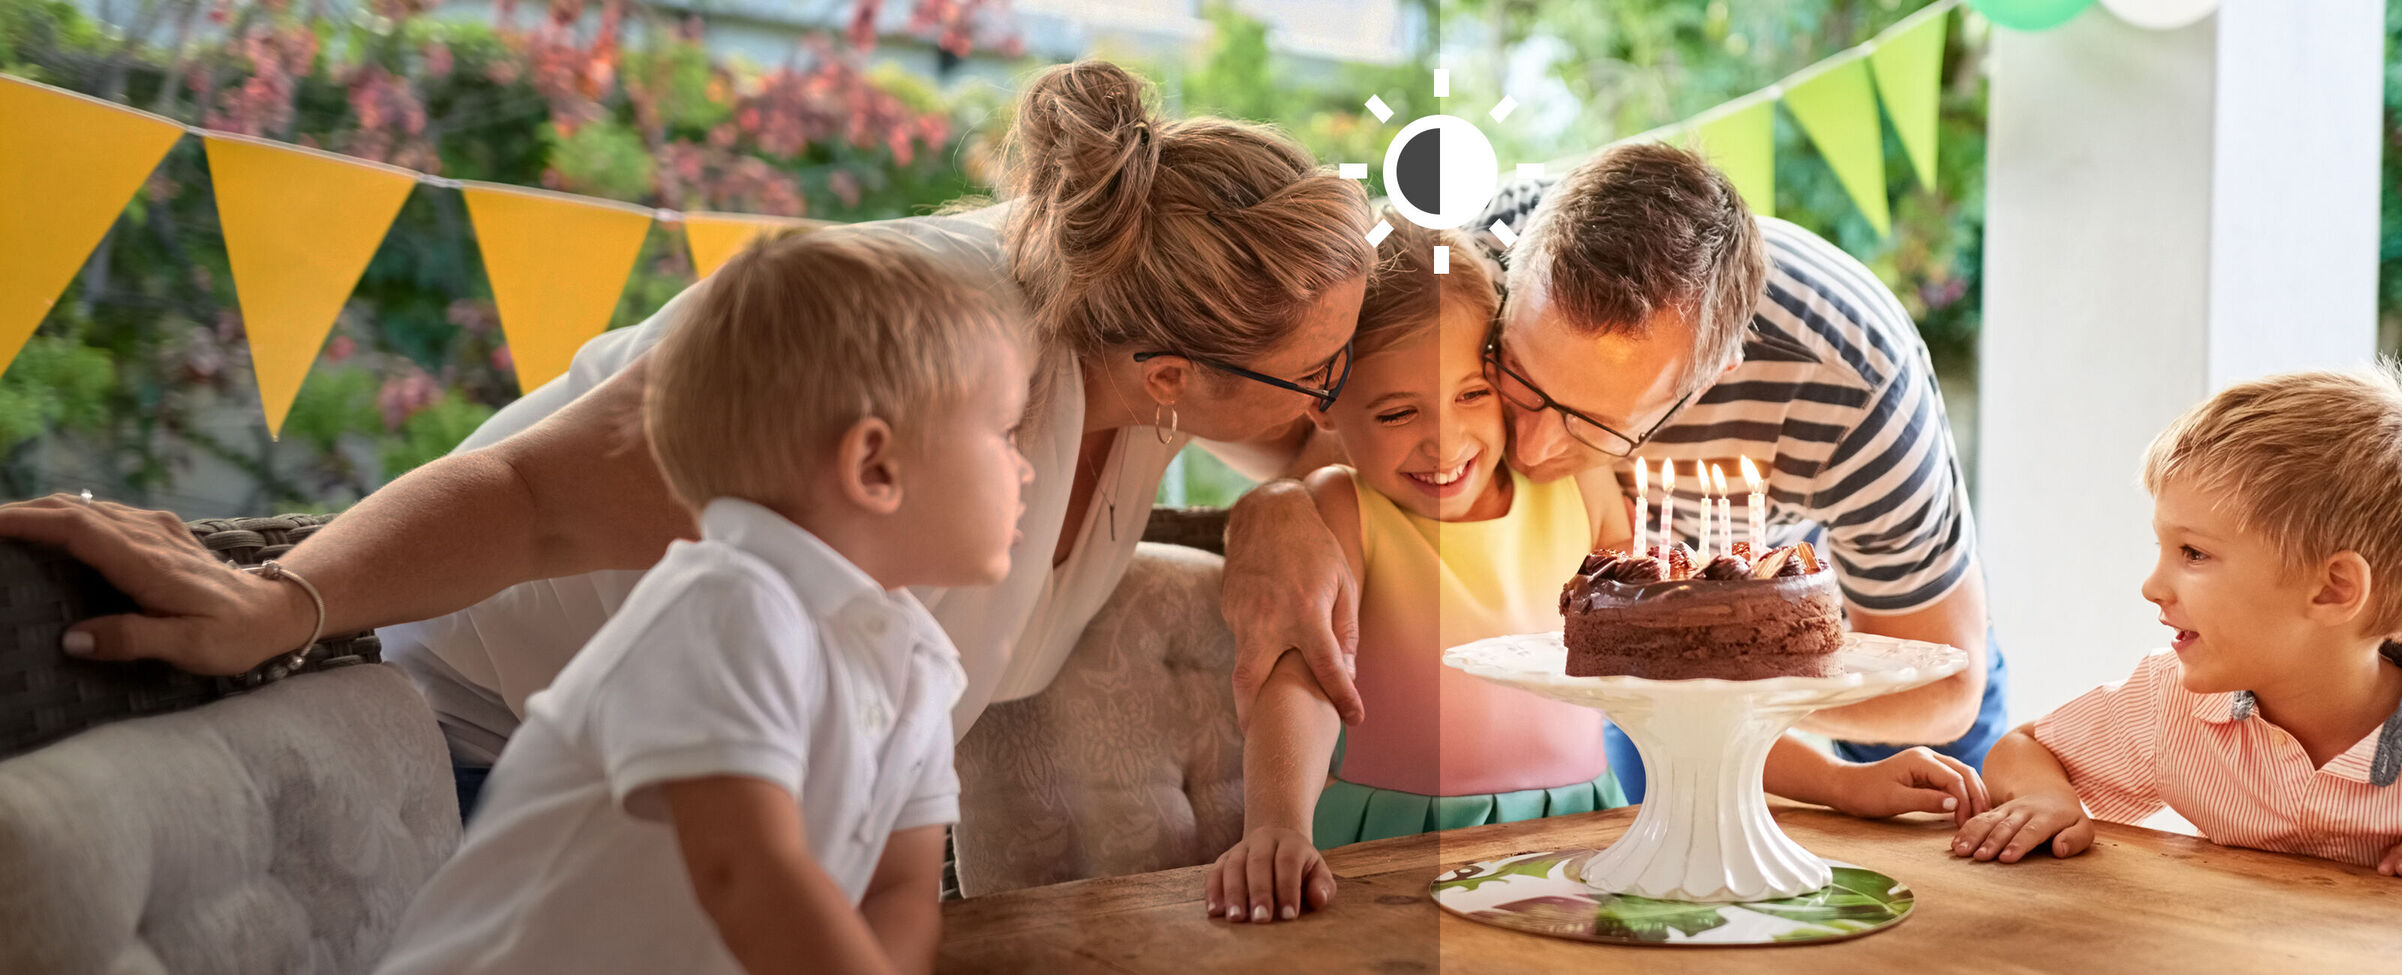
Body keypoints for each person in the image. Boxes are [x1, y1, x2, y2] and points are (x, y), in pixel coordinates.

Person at [1, 60, 1373, 824]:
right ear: (1179, 368)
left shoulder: (1122, 358)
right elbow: (535, 496)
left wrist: (1302, 498)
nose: (1338, 397)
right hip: (502, 770)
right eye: (1319, 378)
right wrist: (281, 600)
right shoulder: (915, 332)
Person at [1197, 216, 1998, 924]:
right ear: (1325, 409)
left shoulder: (1578, 489)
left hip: (1585, 830)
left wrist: (1841, 784)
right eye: (1397, 411)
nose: (1443, 442)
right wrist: (1277, 825)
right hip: (1399, 840)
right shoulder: (1341, 507)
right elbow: (1302, 677)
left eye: (1473, 393)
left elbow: (1668, 695)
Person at [378, 229, 1029, 974]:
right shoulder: (728, 605)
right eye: (1006, 432)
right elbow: (747, 874)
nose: (1027, 467)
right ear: (874, 464)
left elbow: (900, 894)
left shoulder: (919, 663)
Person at [1949, 365, 2402, 913]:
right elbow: (2023, 748)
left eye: (2193, 553)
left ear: (2333, 589)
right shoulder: (2169, 704)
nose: (2153, 586)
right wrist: (2048, 799)